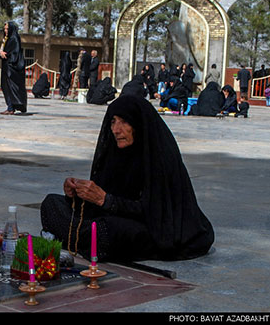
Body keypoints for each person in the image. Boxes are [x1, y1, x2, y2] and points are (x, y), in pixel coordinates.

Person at [40, 94, 214, 262]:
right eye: (113, 122)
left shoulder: (159, 158)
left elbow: (155, 212)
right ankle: (77, 238)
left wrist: (106, 200)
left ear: (138, 124)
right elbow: (101, 201)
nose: (116, 130)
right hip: (114, 217)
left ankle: (70, 236)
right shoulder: (116, 153)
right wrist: (77, 194)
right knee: (51, 203)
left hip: (155, 229)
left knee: (107, 230)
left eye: (124, 122)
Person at [0, 21, 27, 115]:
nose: (5, 30)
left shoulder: (14, 39)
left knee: (11, 88)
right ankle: (10, 106)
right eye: (5, 29)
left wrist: (5, 55)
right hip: (7, 67)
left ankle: (11, 107)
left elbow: (15, 54)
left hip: (12, 69)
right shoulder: (7, 39)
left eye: (7, 29)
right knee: (6, 87)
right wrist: (1, 53)